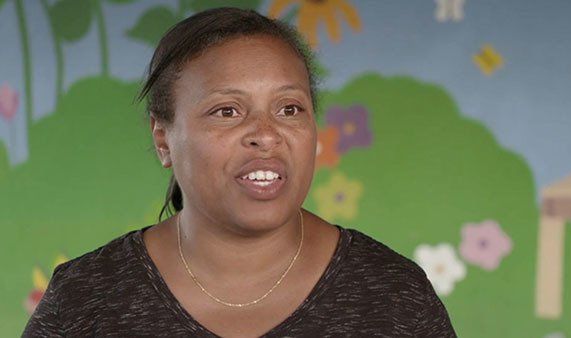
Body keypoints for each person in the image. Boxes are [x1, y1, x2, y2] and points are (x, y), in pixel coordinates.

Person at [23, 7, 457, 338]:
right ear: (162, 138)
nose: (266, 136)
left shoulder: (395, 297)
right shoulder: (83, 300)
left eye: (289, 109)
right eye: (226, 111)